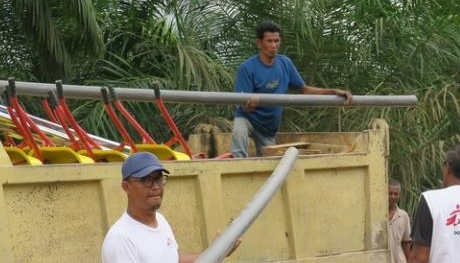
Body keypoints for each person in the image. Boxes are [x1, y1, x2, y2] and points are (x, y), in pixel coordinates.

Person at [232, 21, 352, 157]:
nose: (273, 46)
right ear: (259, 43)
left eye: (276, 41)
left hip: (267, 127)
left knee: (270, 163)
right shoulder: (247, 68)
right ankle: (236, 167)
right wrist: (249, 106)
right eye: (269, 41)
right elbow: (244, 104)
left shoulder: (285, 64)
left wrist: (334, 92)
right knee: (239, 134)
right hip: (247, 118)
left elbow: (304, 89)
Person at [102, 152, 240, 262]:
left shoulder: (160, 221)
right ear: (126, 187)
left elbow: (172, 260)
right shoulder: (121, 240)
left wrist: (216, 251)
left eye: (159, 178)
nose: (156, 186)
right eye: (147, 180)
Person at [389, 179, 411, 263]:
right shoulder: (377, 215)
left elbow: (405, 243)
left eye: (396, 194)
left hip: (399, 260)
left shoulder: (403, 215)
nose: (393, 197)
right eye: (390, 193)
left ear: (399, 195)